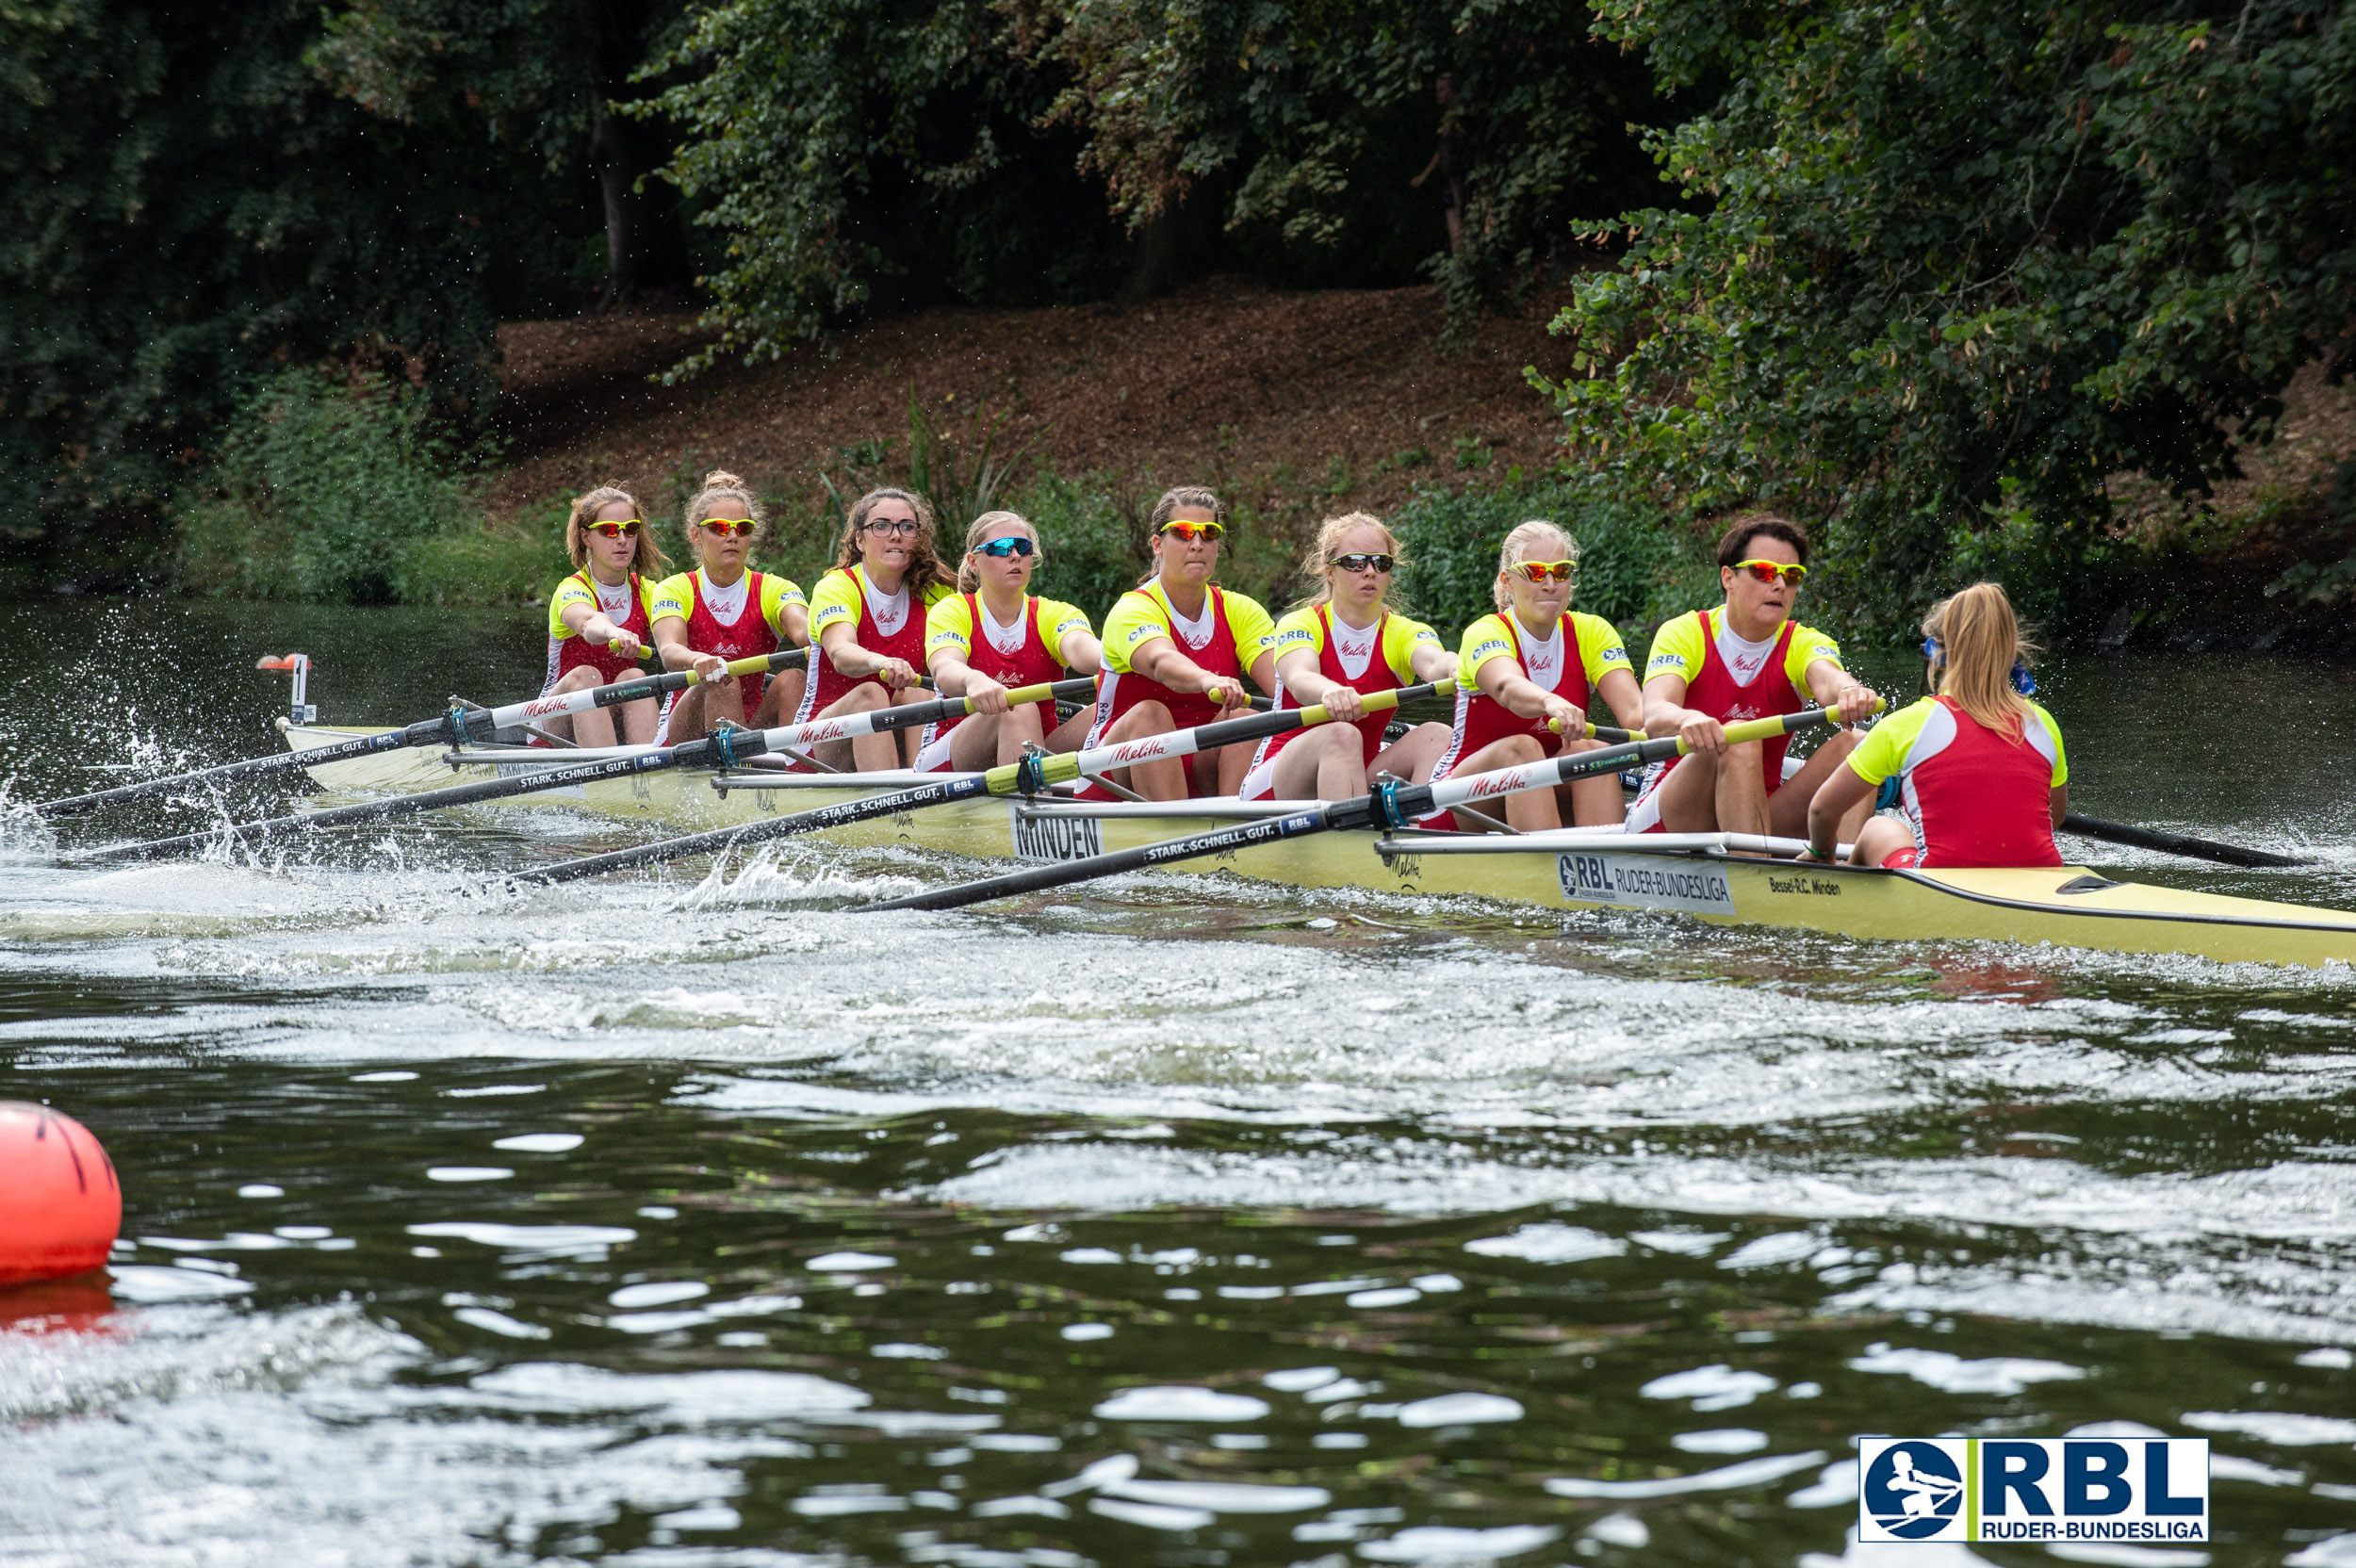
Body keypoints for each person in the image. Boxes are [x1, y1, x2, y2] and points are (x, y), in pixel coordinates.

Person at [1630, 512, 1881, 840]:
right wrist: (1687, 719)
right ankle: (1757, 872)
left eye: (1791, 576)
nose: (1779, 584)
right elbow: (1655, 712)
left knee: (1859, 744)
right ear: (1728, 578)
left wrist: (1850, 691)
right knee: (1739, 735)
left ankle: (1849, 876)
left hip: (1760, 813)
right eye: (1763, 572)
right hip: (1676, 812)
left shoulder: (1804, 642)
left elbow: (1829, 679)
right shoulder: (1685, 632)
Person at [1805, 581, 2067, 868]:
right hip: (2040, 881)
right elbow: (2056, 816)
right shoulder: (2042, 723)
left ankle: (1843, 895)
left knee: (1878, 828)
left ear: (1937, 655)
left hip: (1939, 886)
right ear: (2010, 654)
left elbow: (1821, 811)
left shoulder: (1909, 724)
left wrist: (1821, 852)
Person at [1425, 520, 1650, 830]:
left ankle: (1606, 865)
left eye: (1561, 572)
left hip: (1539, 792)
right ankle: (1548, 868)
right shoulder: (1486, 632)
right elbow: (1507, 687)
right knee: (1524, 748)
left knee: (1592, 748)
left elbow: (1637, 717)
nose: (1549, 584)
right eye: (1534, 572)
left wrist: (1691, 724)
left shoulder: (1592, 632)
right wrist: (1550, 702)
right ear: (1507, 581)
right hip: (1461, 803)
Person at [1239, 513, 1456, 802]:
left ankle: (1420, 835)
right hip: (1280, 779)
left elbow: (1435, 663)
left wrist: (1459, 667)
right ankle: (1349, 841)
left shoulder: (1404, 632)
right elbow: (1299, 678)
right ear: (1330, 571)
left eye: (1381, 563)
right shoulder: (1301, 623)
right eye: (1355, 562)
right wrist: (1329, 691)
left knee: (1437, 735)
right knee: (1342, 734)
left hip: (1359, 773)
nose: (1370, 572)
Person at [1085, 485, 1279, 799]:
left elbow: (1283, 685)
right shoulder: (1133, 609)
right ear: (1158, 544)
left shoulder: (1240, 609)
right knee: (1151, 714)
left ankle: (1234, 830)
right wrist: (1207, 679)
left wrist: (1327, 695)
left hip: (1201, 761)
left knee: (1245, 719)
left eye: (1209, 533)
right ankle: (1182, 828)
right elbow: (1161, 662)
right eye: (1184, 533)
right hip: (1114, 772)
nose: (1198, 544)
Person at [915, 511, 1103, 771]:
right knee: (1018, 707)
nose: (1015, 555)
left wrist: (1128, 659)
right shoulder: (953, 610)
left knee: (1124, 709)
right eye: (1002, 548)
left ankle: (1148, 805)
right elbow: (945, 667)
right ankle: (1034, 807)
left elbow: (1085, 652)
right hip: (952, 754)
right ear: (973, 562)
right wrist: (973, 680)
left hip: (1036, 746)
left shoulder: (1053, 613)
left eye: (1023, 548)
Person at [795, 487, 958, 771]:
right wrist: (881, 661)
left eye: (907, 527)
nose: (895, 535)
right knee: (871, 694)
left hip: (891, 731)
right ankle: (896, 805)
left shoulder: (938, 594)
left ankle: (921, 790)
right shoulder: (837, 586)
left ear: (917, 539)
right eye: (881, 526)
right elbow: (840, 652)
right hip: (819, 746)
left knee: (918, 694)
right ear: (859, 539)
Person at [649, 470, 810, 744]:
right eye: (720, 528)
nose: (733, 536)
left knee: (793, 678)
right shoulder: (675, 588)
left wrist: (842, 638)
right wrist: (698, 660)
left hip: (750, 724)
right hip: (685, 728)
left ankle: (792, 770)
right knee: (721, 677)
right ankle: (732, 770)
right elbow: (670, 651)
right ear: (696, 535)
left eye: (743, 528)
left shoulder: (775, 589)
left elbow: (807, 634)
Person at [539, 486, 668, 746]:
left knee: (634, 678)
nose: (622, 539)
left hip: (616, 717)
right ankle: (607, 775)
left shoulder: (648, 592)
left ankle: (649, 774)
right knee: (587, 676)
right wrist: (614, 631)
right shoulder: (571, 590)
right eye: (610, 531)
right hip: (556, 726)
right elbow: (588, 622)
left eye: (630, 529)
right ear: (586, 537)